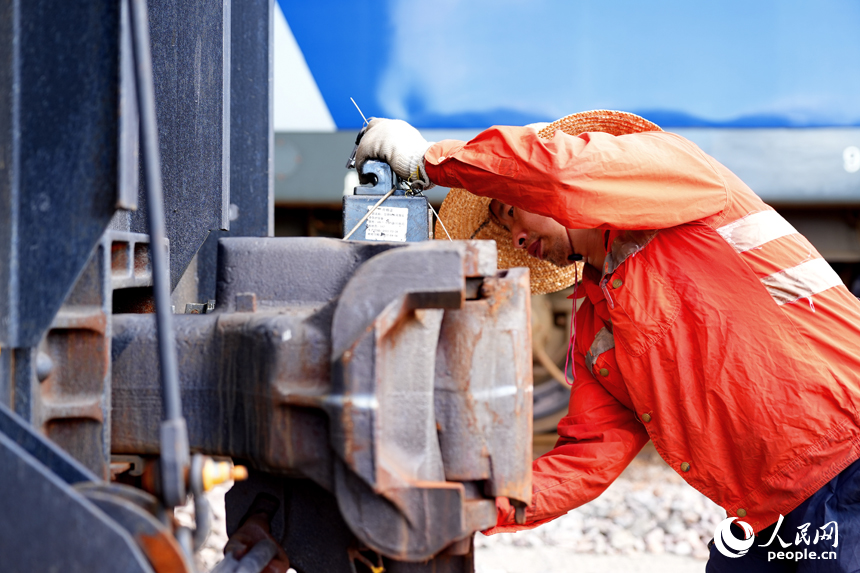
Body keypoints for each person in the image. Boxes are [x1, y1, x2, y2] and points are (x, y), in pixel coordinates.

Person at [355, 110, 860, 572]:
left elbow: (560, 174)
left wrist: (429, 160)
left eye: (513, 212)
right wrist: (469, 508)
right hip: (768, 509)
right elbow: (589, 453)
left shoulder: (679, 177)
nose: (516, 239)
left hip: (848, 465)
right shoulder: (598, 321)